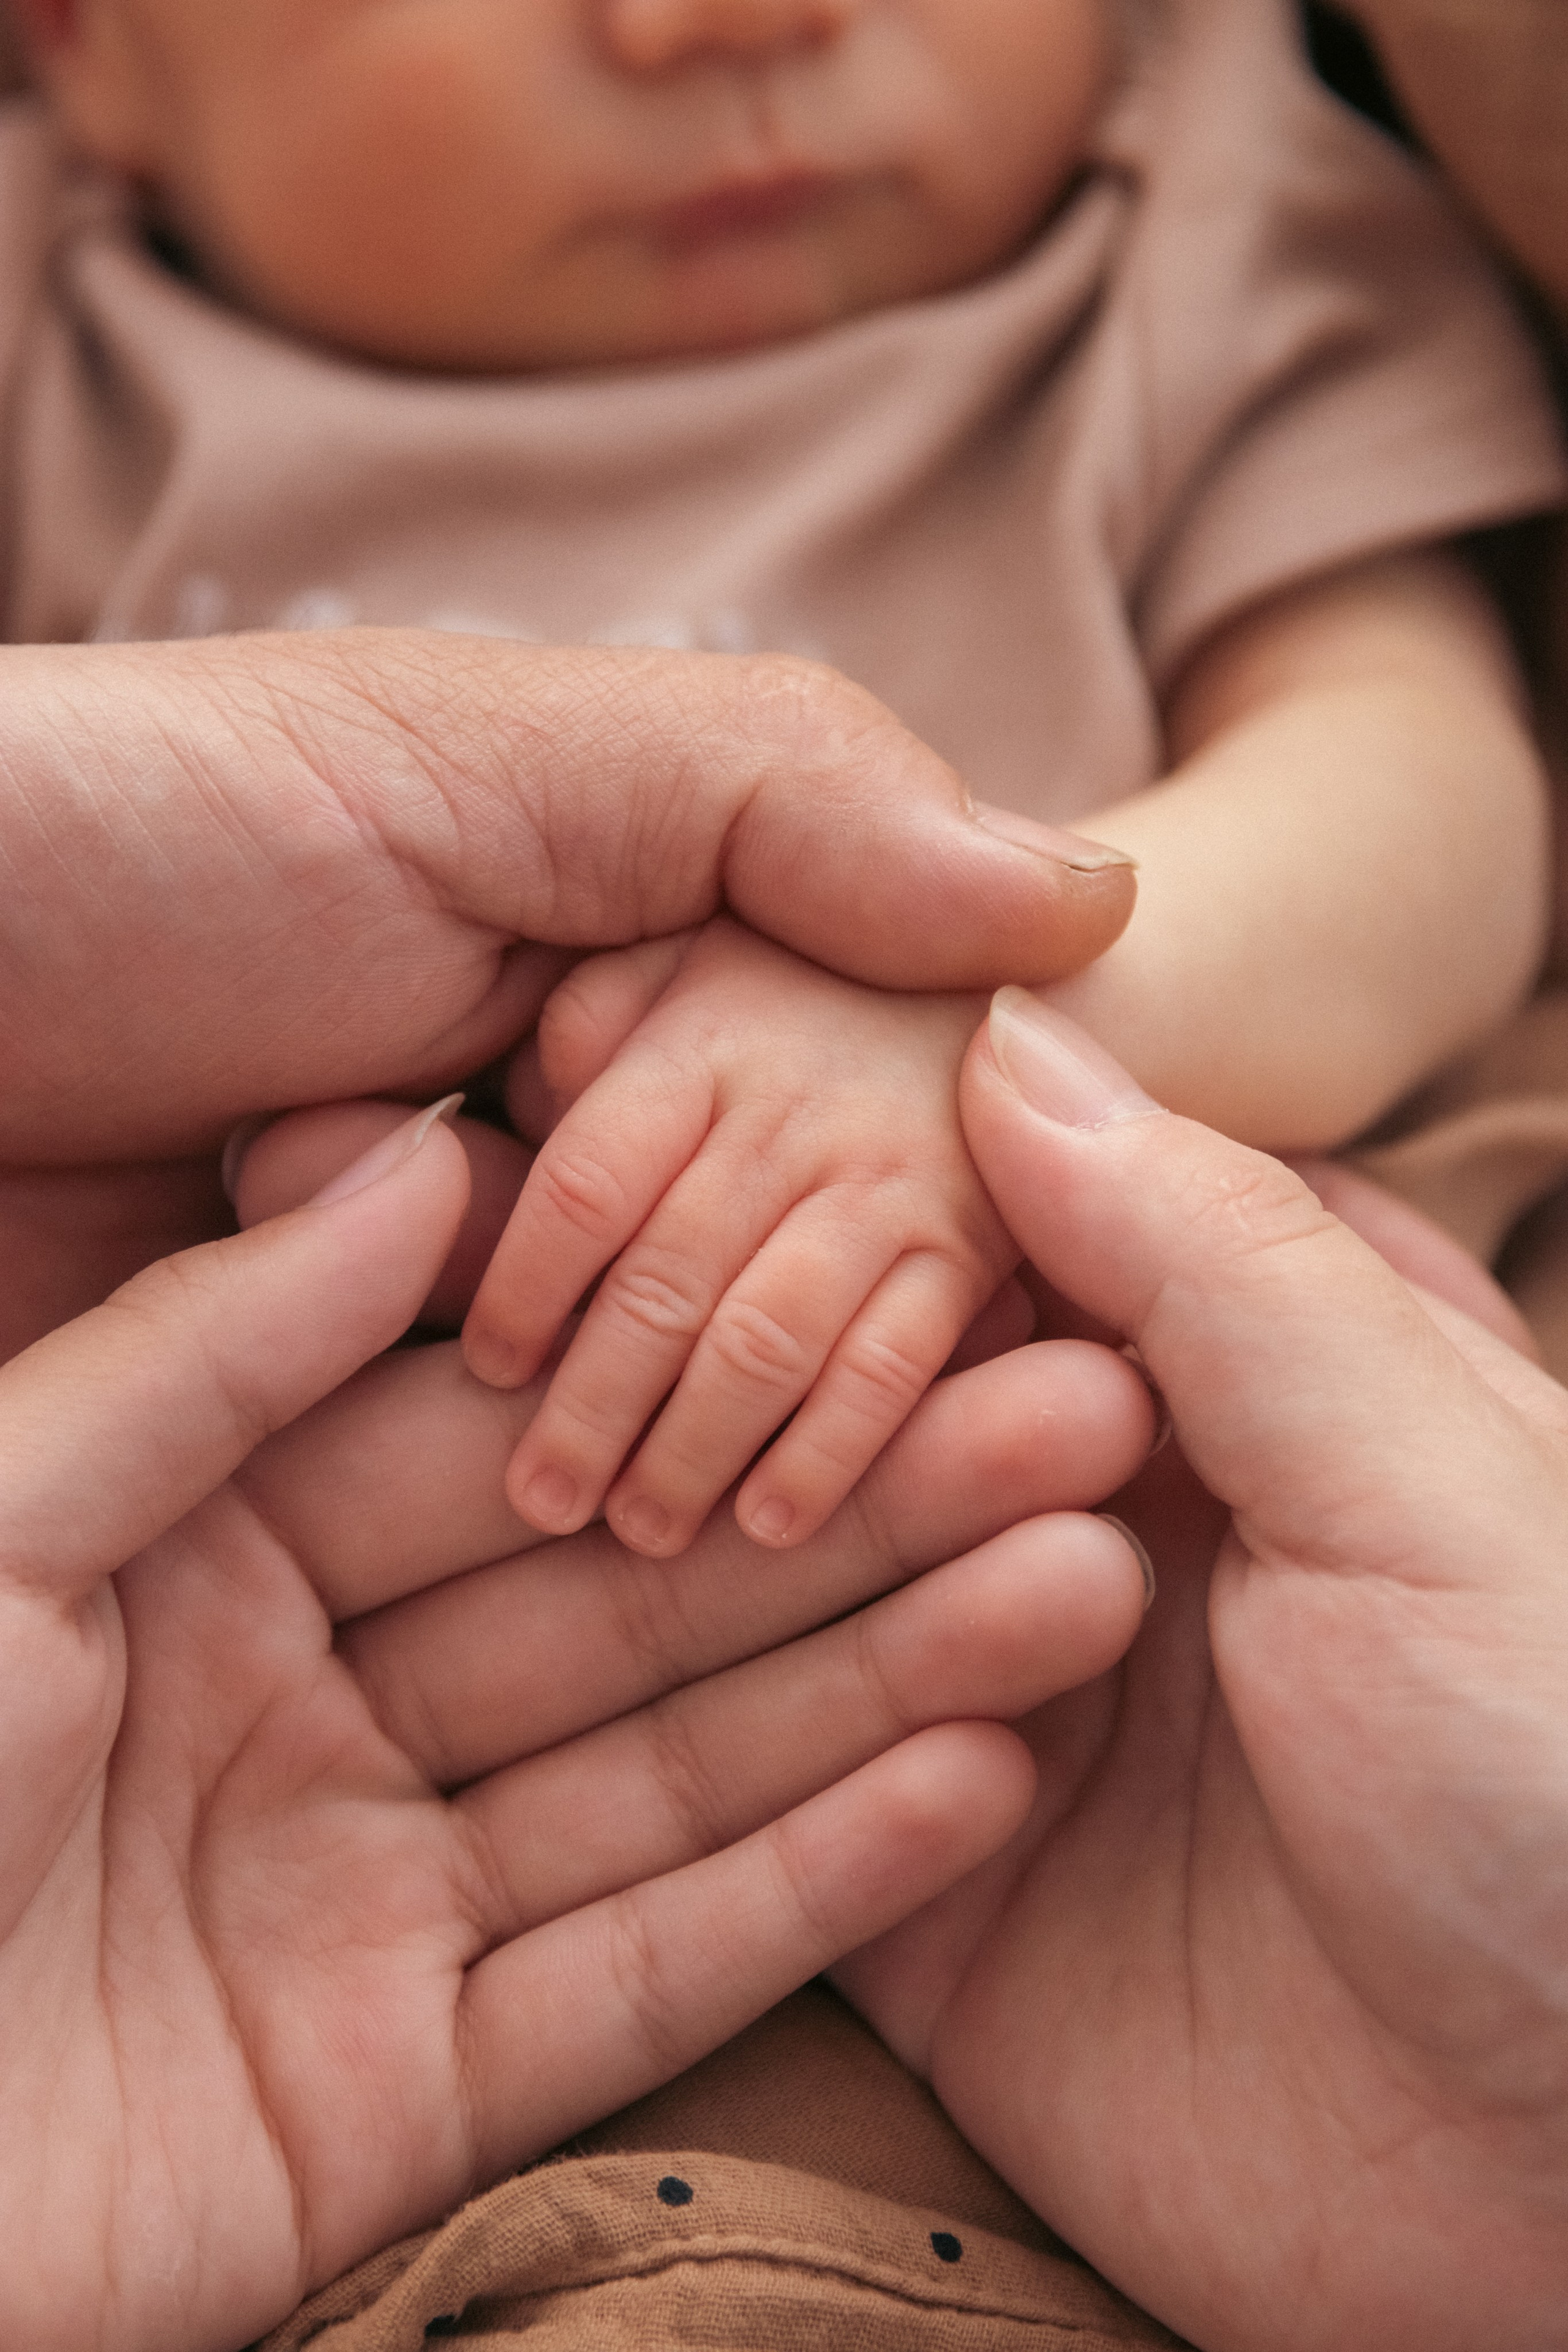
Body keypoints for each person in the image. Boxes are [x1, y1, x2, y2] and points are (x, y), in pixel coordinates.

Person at [4, 0, 1563, 1561]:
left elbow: (1422, 789)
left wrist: (997, 1043)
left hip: (1088, 1553)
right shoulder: (49, 324)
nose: (731, 22)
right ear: (84, 39)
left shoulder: (1188, 243)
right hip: (155, 1594)